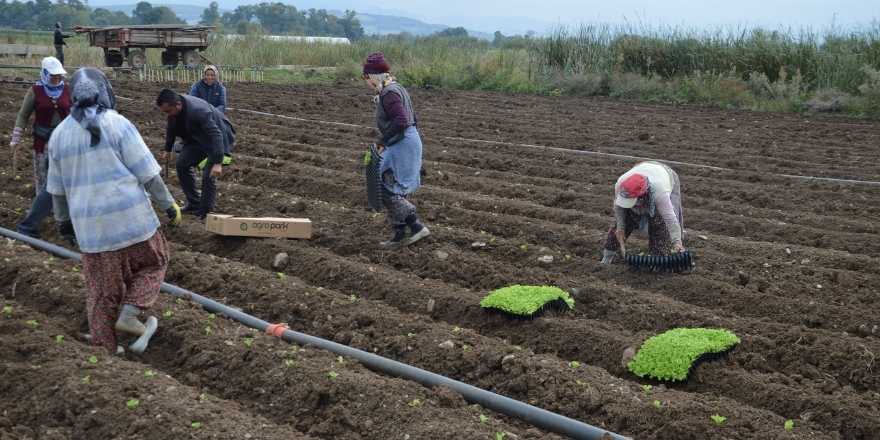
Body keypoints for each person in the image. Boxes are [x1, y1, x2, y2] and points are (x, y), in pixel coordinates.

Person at [46, 68, 182, 354]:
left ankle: (104, 350)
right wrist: (168, 204)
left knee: (101, 291)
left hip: (92, 233)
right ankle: (131, 314)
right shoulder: (118, 124)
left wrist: (63, 223)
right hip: (133, 222)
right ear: (104, 92)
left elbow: (56, 191)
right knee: (154, 262)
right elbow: (149, 174)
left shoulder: (58, 136)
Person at [363, 52, 430, 248]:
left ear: (373, 76)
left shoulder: (389, 93)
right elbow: (413, 118)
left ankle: (416, 226)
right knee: (385, 181)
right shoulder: (396, 87)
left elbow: (401, 120)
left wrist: (381, 142)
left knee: (380, 184)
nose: (365, 82)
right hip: (405, 140)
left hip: (402, 141)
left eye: (365, 78)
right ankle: (399, 233)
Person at [11, 56, 70, 239]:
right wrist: (16, 137)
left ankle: (63, 210)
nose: (57, 79)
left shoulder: (67, 90)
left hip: (64, 142)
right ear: (44, 74)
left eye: (59, 76)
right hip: (43, 141)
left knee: (64, 177)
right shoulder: (35, 91)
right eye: (53, 76)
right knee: (44, 178)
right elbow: (23, 115)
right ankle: (44, 211)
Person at [157, 88, 235, 220]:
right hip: (196, 138)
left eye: (168, 111)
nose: (167, 114)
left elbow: (216, 135)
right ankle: (194, 203)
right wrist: (168, 149)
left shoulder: (198, 111)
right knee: (182, 164)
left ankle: (205, 212)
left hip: (217, 138)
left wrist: (217, 163)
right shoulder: (174, 111)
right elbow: (171, 127)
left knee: (208, 174)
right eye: (165, 112)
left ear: (178, 105)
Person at [601, 161, 686, 264]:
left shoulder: (660, 193)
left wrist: (677, 241)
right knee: (626, 218)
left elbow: (670, 219)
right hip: (643, 167)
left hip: (666, 174)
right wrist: (620, 228)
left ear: (643, 196)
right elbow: (619, 208)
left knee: (660, 224)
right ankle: (606, 259)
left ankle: (659, 259)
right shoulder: (620, 185)